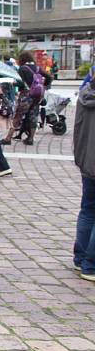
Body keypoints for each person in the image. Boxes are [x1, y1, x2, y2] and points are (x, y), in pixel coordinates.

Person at [73, 76, 95, 281]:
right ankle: (91, 264)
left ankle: (80, 257)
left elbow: (78, 130)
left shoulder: (85, 93)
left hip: (87, 161)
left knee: (88, 210)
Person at [2, 51, 44, 146]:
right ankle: (31, 138)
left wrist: (13, 83)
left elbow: (20, 83)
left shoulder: (22, 69)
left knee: (18, 116)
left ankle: (8, 138)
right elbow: (48, 78)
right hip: (37, 96)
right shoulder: (37, 68)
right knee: (34, 116)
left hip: (26, 95)